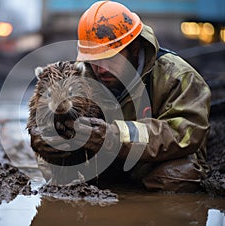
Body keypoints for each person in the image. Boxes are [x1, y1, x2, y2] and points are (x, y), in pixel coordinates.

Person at [30, 0, 211, 192]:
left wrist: (113, 136)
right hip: (104, 160)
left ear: (134, 48)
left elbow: (187, 132)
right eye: (94, 59)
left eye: (111, 57)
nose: (101, 68)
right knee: (55, 167)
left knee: (177, 175)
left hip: (152, 163)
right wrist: (43, 139)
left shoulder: (179, 76)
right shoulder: (82, 76)